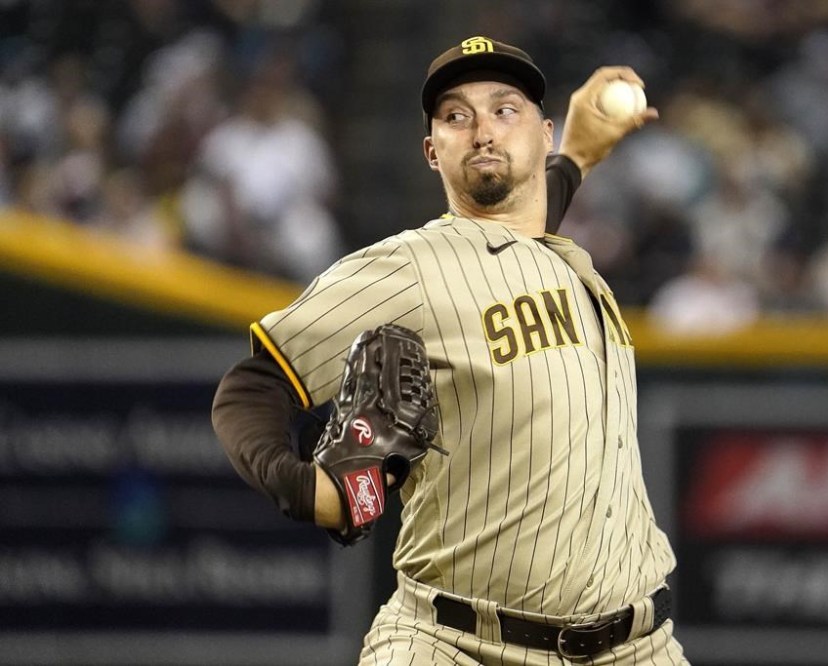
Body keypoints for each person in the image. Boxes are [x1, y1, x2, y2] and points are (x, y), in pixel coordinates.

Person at [212, 35, 688, 665]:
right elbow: (252, 385)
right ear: (433, 153)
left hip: (638, 648)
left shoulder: (563, 263)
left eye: (504, 110)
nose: (483, 130)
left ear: (542, 134)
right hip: (456, 644)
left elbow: (524, 229)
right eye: (457, 116)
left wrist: (578, 153)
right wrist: (301, 487)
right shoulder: (410, 268)